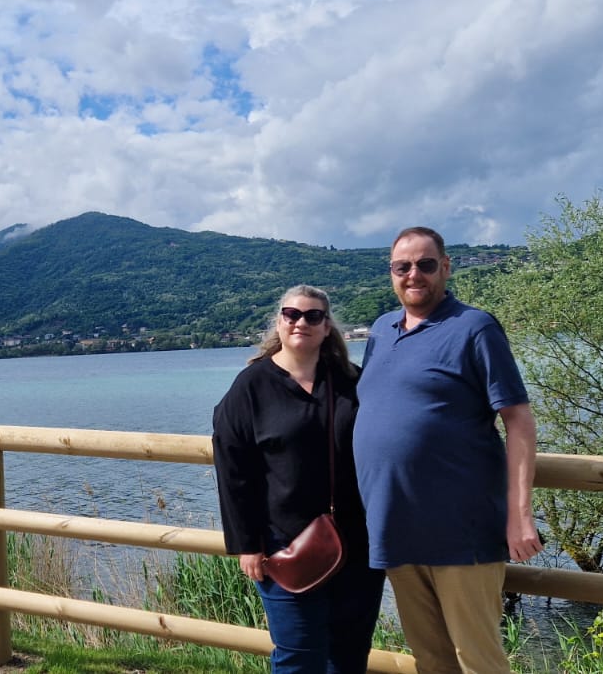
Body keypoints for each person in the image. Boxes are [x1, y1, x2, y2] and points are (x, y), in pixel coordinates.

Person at [353, 227, 543, 674]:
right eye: (403, 266)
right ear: (391, 273)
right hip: (396, 528)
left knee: (478, 661)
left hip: (461, 530)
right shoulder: (381, 330)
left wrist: (520, 515)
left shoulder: (474, 327)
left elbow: (519, 421)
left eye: (425, 264)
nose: (414, 274)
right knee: (431, 660)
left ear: (446, 267)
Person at [212, 285, 386, 673]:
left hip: (358, 545)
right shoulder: (251, 387)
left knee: (350, 653)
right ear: (279, 322)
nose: (301, 322)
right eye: (292, 314)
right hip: (284, 544)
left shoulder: (351, 382)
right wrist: (246, 545)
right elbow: (232, 469)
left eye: (313, 316)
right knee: (299, 655)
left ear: (327, 327)